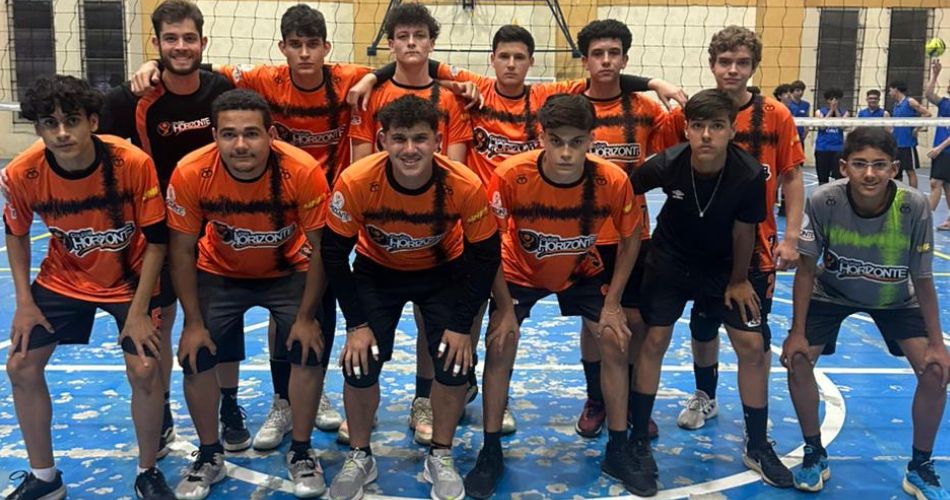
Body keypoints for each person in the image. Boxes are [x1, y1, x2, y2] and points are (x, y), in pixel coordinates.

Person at [131, 2, 360, 449]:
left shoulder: (345, 86)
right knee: (201, 346)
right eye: (295, 45)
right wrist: (154, 65)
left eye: (313, 44)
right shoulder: (253, 88)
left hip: (304, 227)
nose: (305, 53)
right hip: (224, 256)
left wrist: (378, 75)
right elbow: (197, 66)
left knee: (305, 332)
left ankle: (300, 411)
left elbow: (401, 72)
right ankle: (246, 419)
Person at [322, 95, 500, 500]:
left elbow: (487, 257)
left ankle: (440, 454)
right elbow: (333, 254)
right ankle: (360, 455)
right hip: (377, 272)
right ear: (382, 140)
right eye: (399, 139)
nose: (409, 149)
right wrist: (356, 325)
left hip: (442, 272)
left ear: (438, 141)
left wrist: (461, 327)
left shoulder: (464, 184)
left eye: (420, 139)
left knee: (454, 364)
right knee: (359, 364)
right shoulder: (356, 181)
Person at [463, 94, 642, 497]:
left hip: (580, 269)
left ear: (591, 140)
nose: (565, 153)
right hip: (520, 269)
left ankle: (618, 449)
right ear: (541, 138)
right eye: (556, 141)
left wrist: (613, 304)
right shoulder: (511, 175)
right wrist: (504, 307)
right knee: (501, 340)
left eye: (576, 142)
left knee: (615, 339)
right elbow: (486, 243)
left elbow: (631, 239)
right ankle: (490, 450)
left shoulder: (612, 180)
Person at [4, 75, 172, 499]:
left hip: (132, 277)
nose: (62, 132)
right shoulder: (22, 172)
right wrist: (24, 302)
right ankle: (45, 478)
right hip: (65, 277)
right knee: (21, 365)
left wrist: (138, 312)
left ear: (92, 122)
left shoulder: (131, 162)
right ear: (39, 128)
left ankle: (148, 471)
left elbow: (157, 241)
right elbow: (16, 234)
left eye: (72, 120)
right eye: (50, 123)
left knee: (145, 368)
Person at [167, 89, 333, 499]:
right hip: (220, 271)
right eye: (229, 134)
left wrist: (306, 317)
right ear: (214, 136)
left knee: (309, 348)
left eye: (251, 134)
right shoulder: (191, 171)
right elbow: (181, 251)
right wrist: (191, 323)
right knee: (195, 355)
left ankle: (301, 451)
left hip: (289, 269)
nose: (240, 145)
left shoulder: (302, 170)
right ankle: (210, 455)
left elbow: (322, 249)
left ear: (271, 135)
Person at [631, 89, 792, 495]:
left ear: (732, 130)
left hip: (724, 267)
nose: (706, 135)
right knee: (654, 339)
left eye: (716, 126)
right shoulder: (667, 163)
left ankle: (757, 445)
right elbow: (623, 190)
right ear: (686, 129)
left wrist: (738, 280)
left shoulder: (749, 173)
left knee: (751, 345)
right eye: (698, 126)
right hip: (670, 261)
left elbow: (745, 231)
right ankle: (637, 439)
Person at [99, 0, 241, 455]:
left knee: (219, 320)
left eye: (189, 38)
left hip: (217, 226)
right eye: (171, 39)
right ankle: (160, 411)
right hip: (158, 231)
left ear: (203, 42)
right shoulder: (130, 99)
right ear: (156, 43)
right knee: (162, 321)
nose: (181, 47)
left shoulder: (221, 89)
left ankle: (228, 404)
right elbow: (94, 144)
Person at [782, 127, 950, 497]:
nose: (869, 174)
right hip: (832, 292)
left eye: (879, 165)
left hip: (896, 298)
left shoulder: (914, 206)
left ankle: (920, 466)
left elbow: (923, 279)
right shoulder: (824, 200)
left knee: (937, 372)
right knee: (797, 359)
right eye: (859, 164)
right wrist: (796, 332)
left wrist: (938, 344)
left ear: (894, 168)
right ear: (844, 167)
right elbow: (806, 271)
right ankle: (814, 452)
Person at [668, 26, 804, 441]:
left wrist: (791, 237)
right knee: (702, 326)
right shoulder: (692, 113)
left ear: (753, 67)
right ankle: (704, 395)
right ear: (712, 65)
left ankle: (756, 429)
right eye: (725, 62)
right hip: (701, 248)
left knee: (753, 340)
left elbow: (792, 177)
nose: (733, 70)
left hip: (755, 248)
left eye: (742, 63)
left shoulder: (776, 115)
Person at [571, 19, 677, 442]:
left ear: (625, 59)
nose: (606, 61)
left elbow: (674, 153)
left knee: (633, 319)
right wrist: (652, 79)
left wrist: (655, 85)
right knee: (592, 322)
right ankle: (596, 399)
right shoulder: (569, 103)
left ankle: (632, 401)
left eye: (614, 53)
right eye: (597, 54)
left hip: (635, 234)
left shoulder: (646, 111)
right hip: (583, 235)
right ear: (585, 60)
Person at [888, 80, 932, 188]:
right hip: (896, 144)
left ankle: (914, 194)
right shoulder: (896, 105)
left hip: (907, 143)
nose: (889, 93)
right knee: (896, 172)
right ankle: (898, 195)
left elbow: (927, 114)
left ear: (896, 89)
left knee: (910, 171)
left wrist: (917, 128)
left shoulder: (909, 101)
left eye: (890, 90)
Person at [925, 60, 950, 231]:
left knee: (935, 183)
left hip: (946, 150)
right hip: (942, 151)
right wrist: (935, 75)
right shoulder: (945, 103)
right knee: (947, 186)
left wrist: (939, 148)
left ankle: (923, 220)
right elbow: (928, 94)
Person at [814, 88, 848, 184]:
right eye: (831, 99)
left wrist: (835, 110)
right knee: (823, 178)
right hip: (822, 149)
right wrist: (830, 111)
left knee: (840, 179)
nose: (834, 101)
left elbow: (842, 126)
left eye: (836, 99)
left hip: (838, 149)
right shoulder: (820, 112)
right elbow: (821, 127)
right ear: (827, 100)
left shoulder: (844, 112)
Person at [788, 80, 810, 144]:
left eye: (802, 90)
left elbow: (807, 118)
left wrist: (806, 131)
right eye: (797, 90)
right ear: (792, 92)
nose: (800, 92)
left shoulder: (806, 104)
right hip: (789, 134)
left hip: (800, 135)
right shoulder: (788, 104)